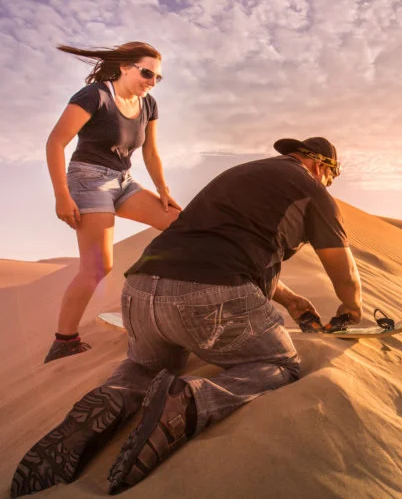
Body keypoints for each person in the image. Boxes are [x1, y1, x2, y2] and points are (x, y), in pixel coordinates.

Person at [11, 137, 363, 497]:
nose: (329, 184)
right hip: (209, 296)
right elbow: (344, 272)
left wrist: (289, 299)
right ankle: (191, 402)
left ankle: (116, 394)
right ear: (320, 165)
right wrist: (352, 308)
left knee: (145, 366)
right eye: (331, 176)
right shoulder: (313, 191)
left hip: (139, 290)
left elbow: (219, 245)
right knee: (280, 363)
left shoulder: (237, 175)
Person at [44, 42, 181, 363]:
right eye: (146, 73)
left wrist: (163, 190)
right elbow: (56, 142)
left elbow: (150, 152)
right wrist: (62, 195)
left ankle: (159, 305)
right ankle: (64, 341)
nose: (152, 81)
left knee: (182, 225)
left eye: (157, 77)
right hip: (88, 179)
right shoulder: (94, 95)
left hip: (124, 181)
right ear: (124, 67)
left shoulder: (148, 104)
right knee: (97, 267)